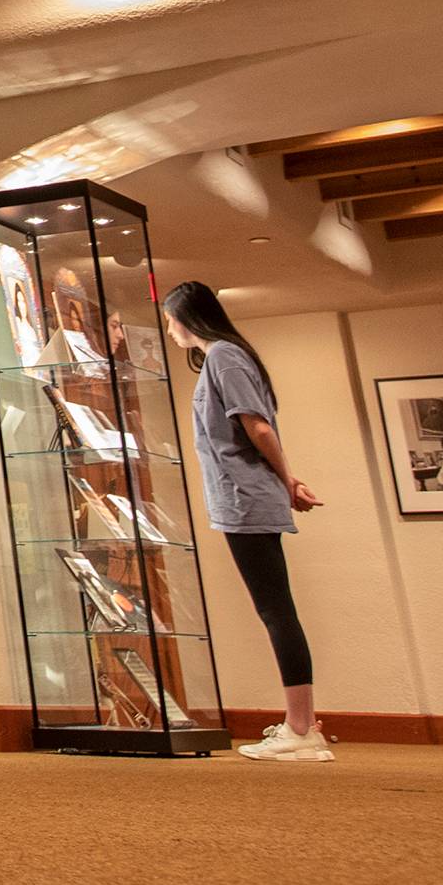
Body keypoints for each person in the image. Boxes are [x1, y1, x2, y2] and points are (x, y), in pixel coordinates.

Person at [161, 280, 330, 761]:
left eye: (170, 320)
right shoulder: (230, 356)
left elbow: (256, 425)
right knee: (276, 608)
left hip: (245, 497)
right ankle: (302, 724)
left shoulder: (222, 356)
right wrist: (288, 481)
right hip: (247, 496)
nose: (170, 331)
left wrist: (288, 479)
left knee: (276, 610)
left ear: (186, 318)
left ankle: (301, 729)